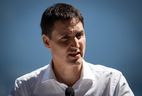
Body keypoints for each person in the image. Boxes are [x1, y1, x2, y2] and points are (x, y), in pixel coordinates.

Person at [10, 3, 134, 96]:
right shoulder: (24, 88)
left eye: (79, 35)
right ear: (46, 41)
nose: (75, 44)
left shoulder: (113, 82)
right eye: (65, 38)